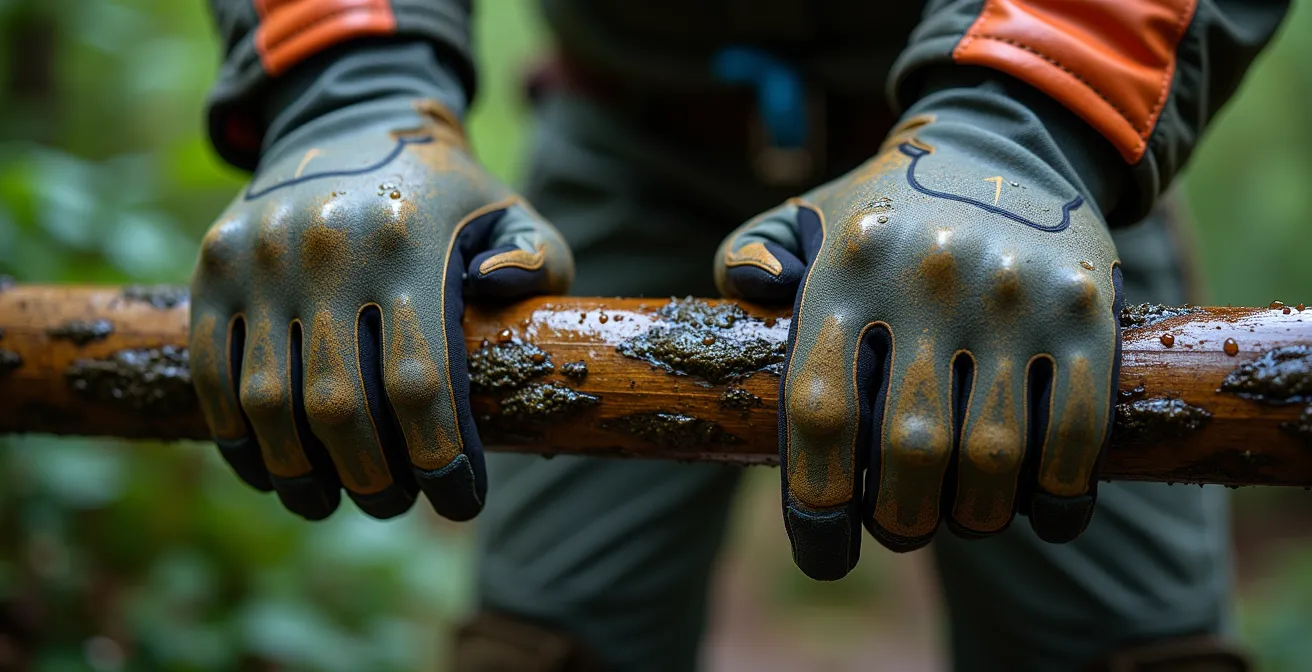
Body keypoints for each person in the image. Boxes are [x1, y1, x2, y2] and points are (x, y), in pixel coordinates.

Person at [189, 1, 1288, 669]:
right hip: (627, 140)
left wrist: (1026, 128)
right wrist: (351, 92)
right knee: (549, 647)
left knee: (1123, 655)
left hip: (1029, 204)